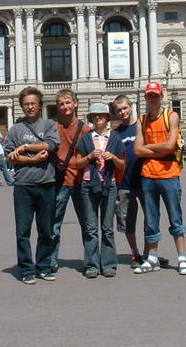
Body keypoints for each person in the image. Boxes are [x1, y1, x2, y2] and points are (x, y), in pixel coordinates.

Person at [133, 81, 186, 276]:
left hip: (169, 174)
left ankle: (182, 257)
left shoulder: (171, 116)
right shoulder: (141, 120)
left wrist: (150, 150)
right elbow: (137, 150)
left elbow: (170, 146)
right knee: (151, 219)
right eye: (150, 95)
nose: (153, 98)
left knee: (176, 217)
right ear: (145, 97)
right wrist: (160, 148)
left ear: (162, 96)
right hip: (148, 175)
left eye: (156, 95)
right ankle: (152, 258)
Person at [5, 87, 59, 284]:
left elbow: (51, 145)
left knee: (46, 229)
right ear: (22, 106)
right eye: (26, 104)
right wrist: (34, 160)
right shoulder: (15, 129)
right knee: (23, 230)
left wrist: (26, 147)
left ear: (39, 105)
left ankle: (43, 267)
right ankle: (26, 269)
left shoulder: (49, 124)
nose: (30, 107)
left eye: (33, 103)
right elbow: (10, 157)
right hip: (23, 185)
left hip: (46, 183)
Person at [75, 103, 125, 278]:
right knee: (90, 228)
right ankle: (92, 265)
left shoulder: (115, 138)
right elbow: (77, 163)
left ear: (107, 118)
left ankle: (109, 264)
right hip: (88, 185)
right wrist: (89, 156)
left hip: (109, 185)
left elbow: (122, 165)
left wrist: (113, 157)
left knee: (107, 227)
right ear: (91, 118)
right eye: (95, 116)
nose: (98, 118)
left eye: (101, 116)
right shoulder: (87, 138)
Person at [49, 89, 90, 273]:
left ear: (76, 104)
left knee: (88, 224)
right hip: (60, 183)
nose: (65, 106)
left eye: (68, 102)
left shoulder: (85, 129)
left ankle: (90, 263)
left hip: (81, 182)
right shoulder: (52, 128)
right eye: (61, 104)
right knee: (54, 224)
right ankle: (51, 262)